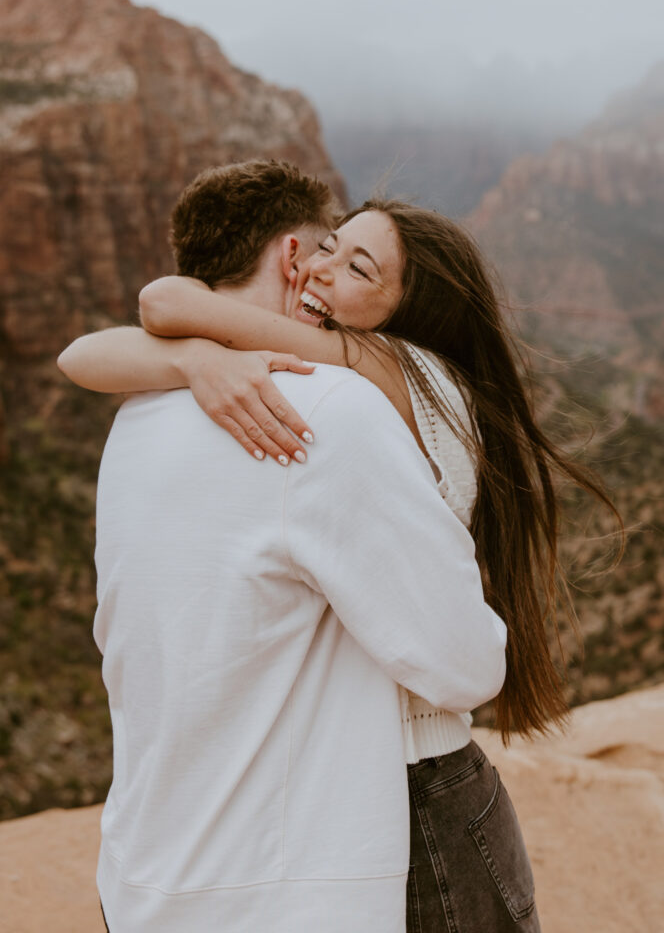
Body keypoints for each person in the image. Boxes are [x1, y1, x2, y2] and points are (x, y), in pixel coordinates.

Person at [61, 159, 615, 931]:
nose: (322, 269)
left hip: (220, 839)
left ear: (406, 308)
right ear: (291, 256)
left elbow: (153, 307)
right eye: (327, 248)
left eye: (357, 265)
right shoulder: (319, 401)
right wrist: (191, 356)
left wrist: (187, 354)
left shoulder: (376, 374)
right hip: (387, 808)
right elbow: (461, 664)